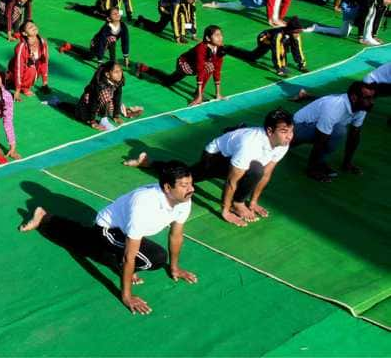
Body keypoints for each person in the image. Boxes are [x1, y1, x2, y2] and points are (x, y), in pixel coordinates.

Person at [19, 160, 197, 314]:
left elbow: (176, 235)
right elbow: (129, 256)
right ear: (167, 187)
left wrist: (175, 268)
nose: (191, 189)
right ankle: (45, 220)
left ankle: (46, 218)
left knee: (86, 242)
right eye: (184, 185)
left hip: (127, 229)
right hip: (108, 228)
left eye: (190, 183)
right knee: (155, 259)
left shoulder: (184, 200)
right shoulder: (144, 205)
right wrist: (126, 296)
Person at [125, 108, 294, 227]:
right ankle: (150, 163)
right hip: (215, 156)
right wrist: (226, 211)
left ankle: (239, 202)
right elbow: (231, 181)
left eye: (291, 131)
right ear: (270, 131)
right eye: (284, 131)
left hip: (239, 159)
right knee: (186, 178)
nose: (289, 136)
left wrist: (254, 202)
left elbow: (266, 174)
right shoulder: (250, 145)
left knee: (258, 170)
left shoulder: (282, 143)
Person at [291, 82, 375, 182]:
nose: (371, 102)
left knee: (336, 131)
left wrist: (347, 163)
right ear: (354, 97)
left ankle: (319, 162)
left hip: (314, 129)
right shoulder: (335, 106)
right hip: (296, 129)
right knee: (338, 130)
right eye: (367, 98)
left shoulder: (361, 108)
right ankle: (315, 166)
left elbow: (354, 135)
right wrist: (312, 170)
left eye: (371, 98)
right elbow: (320, 139)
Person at [136, 25, 225, 106]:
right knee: (208, 67)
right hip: (183, 64)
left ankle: (143, 67)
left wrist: (218, 93)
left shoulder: (220, 48)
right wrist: (199, 98)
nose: (220, 37)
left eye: (221, 34)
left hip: (196, 65)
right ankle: (198, 94)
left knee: (168, 81)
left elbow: (217, 69)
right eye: (217, 35)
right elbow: (200, 70)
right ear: (208, 38)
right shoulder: (201, 48)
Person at [55, 61, 142, 131]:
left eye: (120, 71)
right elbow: (93, 102)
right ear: (107, 75)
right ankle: (103, 120)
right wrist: (92, 121)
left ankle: (119, 111)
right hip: (88, 104)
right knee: (76, 112)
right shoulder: (100, 85)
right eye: (116, 72)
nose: (119, 74)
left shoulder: (118, 81)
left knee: (113, 103)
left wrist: (116, 115)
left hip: (101, 104)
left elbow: (117, 97)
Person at [305, 0, 391, 46]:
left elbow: (377, 19)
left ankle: (317, 27)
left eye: (390, 0)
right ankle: (315, 28)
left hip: (359, 12)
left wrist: (374, 36)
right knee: (345, 32)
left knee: (342, 33)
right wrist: (360, 37)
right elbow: (363, 19)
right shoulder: (369, 2)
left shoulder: (382, 4)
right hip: (351, 11)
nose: (388, 1)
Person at [225, 16, 307, 76]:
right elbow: (276, 51)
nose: (298, 34)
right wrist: (279, 68)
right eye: (297, 31)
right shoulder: (278, 34)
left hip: (281, 41)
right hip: (264, 39)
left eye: (299, 31)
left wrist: (302, 66)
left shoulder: (296, 35)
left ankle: (292, 65)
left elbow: (298, 50)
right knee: (253, 57)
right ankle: (229, 49)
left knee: (290, 46)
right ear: (291, 30)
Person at [58, 7, 130, 66]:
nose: (117, 15)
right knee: (89, 57)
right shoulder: (106, 28)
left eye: (118, 13)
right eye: (114, 14)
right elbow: (101, 43)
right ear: (109, 18)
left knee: (112, 40)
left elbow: (125, 41)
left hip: (108, 43)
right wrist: (100, 61)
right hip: (96, 43)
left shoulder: (123, 26)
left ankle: (112, 62)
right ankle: (70, 47)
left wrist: (126, 58)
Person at [5, 20, 49, 101]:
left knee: (36, 66)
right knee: (31, 69)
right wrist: (17, 90)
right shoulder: (21, 47)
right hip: (15, 69)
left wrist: (45, 82)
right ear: (24, 33)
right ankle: (22, 87)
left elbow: (44, 62)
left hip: (30, 68)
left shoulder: (42, 42)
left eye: (34, 25)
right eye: (30, 27)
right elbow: (19, 68)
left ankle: (14, 81)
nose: (34, 27)